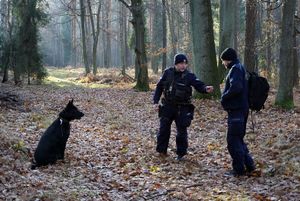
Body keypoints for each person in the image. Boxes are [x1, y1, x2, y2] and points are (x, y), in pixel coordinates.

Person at [153, 53, 214, 160]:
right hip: (167, 106)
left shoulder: (189, 76)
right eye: (181, 63)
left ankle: (181, 154)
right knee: (163, 129)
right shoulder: (168, 73)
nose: (183, 66)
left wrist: (205, 89)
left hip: (183, 107)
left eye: (185, 63)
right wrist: (155, 101)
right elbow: (159, 87)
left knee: (182, 132)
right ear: (176, 64)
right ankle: (162, 151)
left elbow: (197, 84)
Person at [220, 47, 256, 176]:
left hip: (237, 110)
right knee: (238, 138)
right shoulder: (240, 67)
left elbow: (236, 87)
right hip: (241, 109)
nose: (223, 64)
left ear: (228, 60)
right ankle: (250, 165)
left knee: (233, 140)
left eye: (223, 61)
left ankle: (238, 169)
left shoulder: (235, 69)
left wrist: (224, 97)